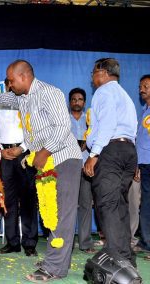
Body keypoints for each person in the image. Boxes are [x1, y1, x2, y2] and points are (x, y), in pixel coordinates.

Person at [0, 59, 82, 282]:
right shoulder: (22, 98)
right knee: (50, 214)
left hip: (63, 158)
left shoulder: (48, 93)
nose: (10, 84)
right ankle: (54, 261)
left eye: (11, 80)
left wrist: (44, 152)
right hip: (45, 160)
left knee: (61, 215)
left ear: (24, 76)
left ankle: (54, 268)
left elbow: (63, 127)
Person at [84, 58, 138, 267]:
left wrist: (94, 153)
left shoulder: (104, 92)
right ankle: (127, 260)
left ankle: (118, 262)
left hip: (110, 151)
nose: (92, 77)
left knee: (107, 205)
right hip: (127, 151)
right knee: (119, 206)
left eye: (94, 73)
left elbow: (107, 124)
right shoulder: (124, 96)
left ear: (104, 73)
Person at [0, 78, 38, 257]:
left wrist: (21, 148)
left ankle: (29, 243)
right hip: (4, 155)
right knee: (8, 200)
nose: (11, 88)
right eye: (8, 85)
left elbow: (35, 131)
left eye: (13, 84)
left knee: (28, 199)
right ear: (5, 86)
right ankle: (12, 243)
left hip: (25, 154)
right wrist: (0, 150)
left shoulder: (29, 103)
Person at [68, 87, 96, 254]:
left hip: (86, 166)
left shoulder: (90, 120)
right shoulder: (64, 119)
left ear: (84, 102)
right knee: (69, 205)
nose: (76, 102)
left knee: (85, 205)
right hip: (69, 166)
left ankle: (85, 243)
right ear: (69, 102)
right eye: (73, 99)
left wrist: (89, 144)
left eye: (79, 99)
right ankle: (67, 242)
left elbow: (98, 138)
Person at [134, 74, 150, 259]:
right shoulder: (145, 111)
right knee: (146, 204)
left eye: (146, 85)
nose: (142, 88)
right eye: (141, 85)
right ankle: (146, 242)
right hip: (145, 163)